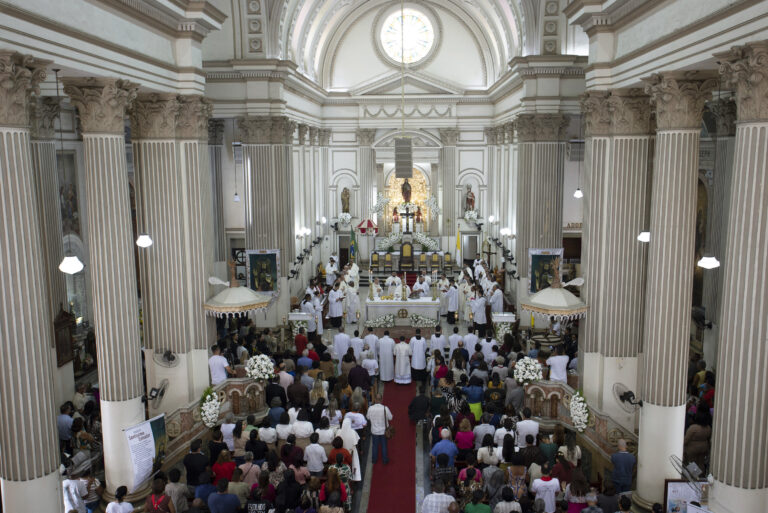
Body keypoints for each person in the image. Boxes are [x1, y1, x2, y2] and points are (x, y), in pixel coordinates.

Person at [367, 393, 393, 464]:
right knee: (384, 445)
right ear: (381, 400)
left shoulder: (370, 408)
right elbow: (391, 418)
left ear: (375, 399)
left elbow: (368, 417)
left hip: (374, 431)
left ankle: (374, 460)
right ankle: (385, 460)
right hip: (383, 431)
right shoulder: (385, 408)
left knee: (375, 445)